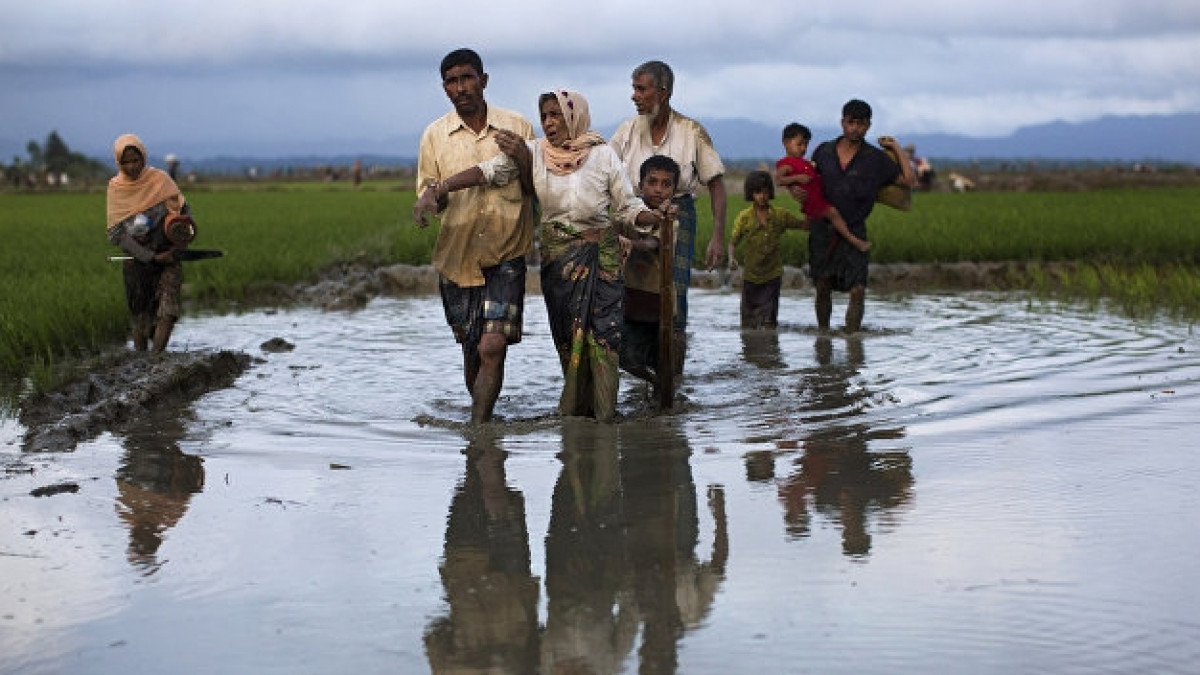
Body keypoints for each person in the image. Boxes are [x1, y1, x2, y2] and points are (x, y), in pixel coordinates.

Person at [415, 89, 672, 422]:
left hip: (602, 259)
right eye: (545, 116)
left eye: (556, 115)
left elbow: (626, 208)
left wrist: (654, 217)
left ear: (574, 116)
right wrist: (441, 189)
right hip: (559, 261)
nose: (549, 123)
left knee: (604, 338)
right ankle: (579, 413)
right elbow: (487, 171)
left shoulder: (603, 155)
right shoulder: (534, 153)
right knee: (569, 339)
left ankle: (606, 415)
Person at [413, 48, 537, 424]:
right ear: (445, 88)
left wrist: (526, 160)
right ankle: (483, 418)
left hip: (506, 252)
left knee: (493, 345)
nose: (461, 87)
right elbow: (431, 191)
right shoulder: (435, 136)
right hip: (457, 255)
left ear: (484, 80)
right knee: (471, 348)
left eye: (468, 78)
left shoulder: (517, 127)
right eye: (452, 81)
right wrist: (429, 200)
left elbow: (537, 189)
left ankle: (479, 430)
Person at [610, 60, 728, 349]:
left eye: (641, 89)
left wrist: (717, 236)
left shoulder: (691, 131)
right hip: (635, 212)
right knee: (630, 289)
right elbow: (605, 172)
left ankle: (671, 361)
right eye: (633, 89)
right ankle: (638, 357)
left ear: (662, 93)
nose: (634, 96)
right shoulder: (626, 131)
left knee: (673, 291)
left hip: (678, 214)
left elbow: (715, 183)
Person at [803, 99, 915, 332]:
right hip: (822, 229)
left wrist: (896, 148)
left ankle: (852, 339)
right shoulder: (823, 151)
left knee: (858, 289)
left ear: (868, 126)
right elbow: (808, 182)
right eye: (850, 122)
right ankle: (823, 336)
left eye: (861, 124)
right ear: (842, 122)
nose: (855, 128)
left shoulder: (875, 159)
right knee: (823, 284)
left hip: (854, 229)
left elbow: (908, 181)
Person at [106, 133, 195, 353]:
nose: (132, 166)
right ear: (118, 162)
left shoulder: (160, 180)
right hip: (136, 260)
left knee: (168, 311)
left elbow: (185, 212)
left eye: (135, 160)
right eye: (125, 162)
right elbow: (115, 234)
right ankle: (141, 361)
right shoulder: (117, 188)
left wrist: (179, 241)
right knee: (141, 318)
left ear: (143, 157)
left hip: (168, 255)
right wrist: (150, 257)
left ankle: (156, 361)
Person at [619, 154, 681, 384]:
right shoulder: (628, 212)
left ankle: (662, 393)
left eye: (666, 184)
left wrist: (630, 244)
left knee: (660, 359)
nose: (658, 190)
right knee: (626, 358)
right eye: (652, 182)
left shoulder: (670, 219)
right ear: (641, 184)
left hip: (658, 302)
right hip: (630, 298)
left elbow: (653, 244)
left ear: (674, 190)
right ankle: (655, 385)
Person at [726, 171, 808, 329]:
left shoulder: (780, 216)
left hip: (772, 276)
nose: (762, 196)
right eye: (757, 192)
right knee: (748, 324)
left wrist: (810, 206)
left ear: (770, 192)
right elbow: (733, 242)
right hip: (751, 278)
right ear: (751, 194)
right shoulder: (744, 218)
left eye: (765, 192)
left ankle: (770, 350)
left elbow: (803, 225)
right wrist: (731, 258)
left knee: (769, 323)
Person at [776, 123, 869, 253]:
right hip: (814, 200)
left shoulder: (804, 161)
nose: (803, 148)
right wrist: (796, 179)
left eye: (805, 145)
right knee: (833, 213)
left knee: (809, 225)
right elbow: (779, 180)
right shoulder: (785, 163)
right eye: (799, 144)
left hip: (819, 195)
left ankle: (781, 223)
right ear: (786, 143)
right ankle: (854, 241)